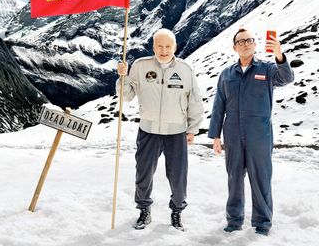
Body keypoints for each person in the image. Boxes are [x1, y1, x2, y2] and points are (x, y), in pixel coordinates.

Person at [208, 28, 294, 236]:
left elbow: (287, 78)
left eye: (249, 40)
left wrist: (279, 55)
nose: (246, 43)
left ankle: (262, 223)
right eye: (241, 41)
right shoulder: (226, 74)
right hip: (233, 134)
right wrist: (216, 136)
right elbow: (218, 106)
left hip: (260, 134)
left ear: (254, 45)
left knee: (261, 178)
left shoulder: (267, 69)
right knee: (234, 178)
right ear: (234, 47)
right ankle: (234, 220)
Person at [117, 28, 204, 231]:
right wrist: (122, 78)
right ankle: (144, 210)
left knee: (178, 176)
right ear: (153, 46)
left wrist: (192, 129)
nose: (164, 50)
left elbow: (195, 101)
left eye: (168, 46)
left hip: (176, 132)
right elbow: (127, 96)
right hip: (148, 131)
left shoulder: (185, 69)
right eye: (160, 46)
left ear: (174, 47)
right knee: (143, 173)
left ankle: (177, 212)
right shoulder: (140, 66)